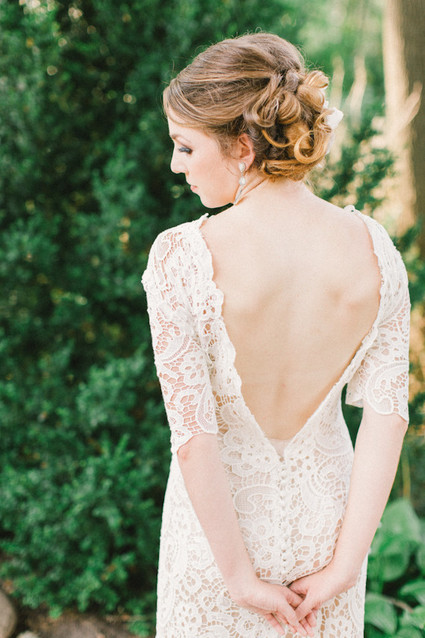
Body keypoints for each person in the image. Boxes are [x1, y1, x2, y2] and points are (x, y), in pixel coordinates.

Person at [142, 33, 410, 637]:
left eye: (185, 146)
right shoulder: (375, 252)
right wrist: (345, 567)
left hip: (216, 543)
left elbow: (194, 437)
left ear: (243, 145)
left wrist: (239, 579)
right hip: (328, 541)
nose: (177, 165)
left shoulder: (181, 258)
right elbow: (388, 419)